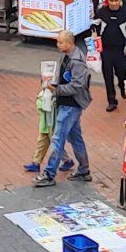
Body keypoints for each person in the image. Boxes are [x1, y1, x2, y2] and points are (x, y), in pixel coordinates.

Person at [36, 37, 93, 187]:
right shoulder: (68, 56)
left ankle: (49, 174)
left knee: (58, 139)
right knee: (75, 138)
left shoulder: (76, 61)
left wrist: (57, 90)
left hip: (70, 105)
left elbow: (77, 85)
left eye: (61, 42)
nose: (58, 45)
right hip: (68, 103)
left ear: (69, 43)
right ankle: (84, 170)